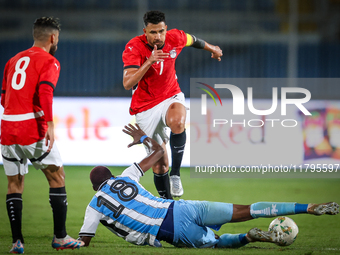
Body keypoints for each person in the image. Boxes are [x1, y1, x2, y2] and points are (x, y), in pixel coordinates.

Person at [78, 123, 339, 249]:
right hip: (184, 208)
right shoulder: (126, 176)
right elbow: (159, 152)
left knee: (216, 242)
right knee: (247, 209)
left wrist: (67, 242)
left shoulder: (94, 206)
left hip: (170, 230)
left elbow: (84, 241)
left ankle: (248, 237)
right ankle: (309, 206)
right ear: (111, 176)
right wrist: (143, 137)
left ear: (95, 188)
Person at [1, 17, 84, 254]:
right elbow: (45, 91)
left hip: (7, 128)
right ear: (53, 37)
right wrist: (49, 122)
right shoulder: (50, 61)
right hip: (32, 128)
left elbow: (3, 97)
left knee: (14, 183)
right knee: (57, 177)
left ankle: (17, 242)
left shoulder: (12, 60)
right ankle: (60, 238)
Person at [122, 10, 223, 199]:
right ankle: (167, 205)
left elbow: (193, 40)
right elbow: (127, 83)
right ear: (145, 31)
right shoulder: (134, 47)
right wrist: (149, 61)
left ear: (166, 29)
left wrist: (213, 48)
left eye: (161, 31)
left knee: (178, 122)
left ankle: (176, 174)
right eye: (153, 32)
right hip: (146, 107)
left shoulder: (174, 37)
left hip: (170, 95)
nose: (158, 37)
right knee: (160, 164)